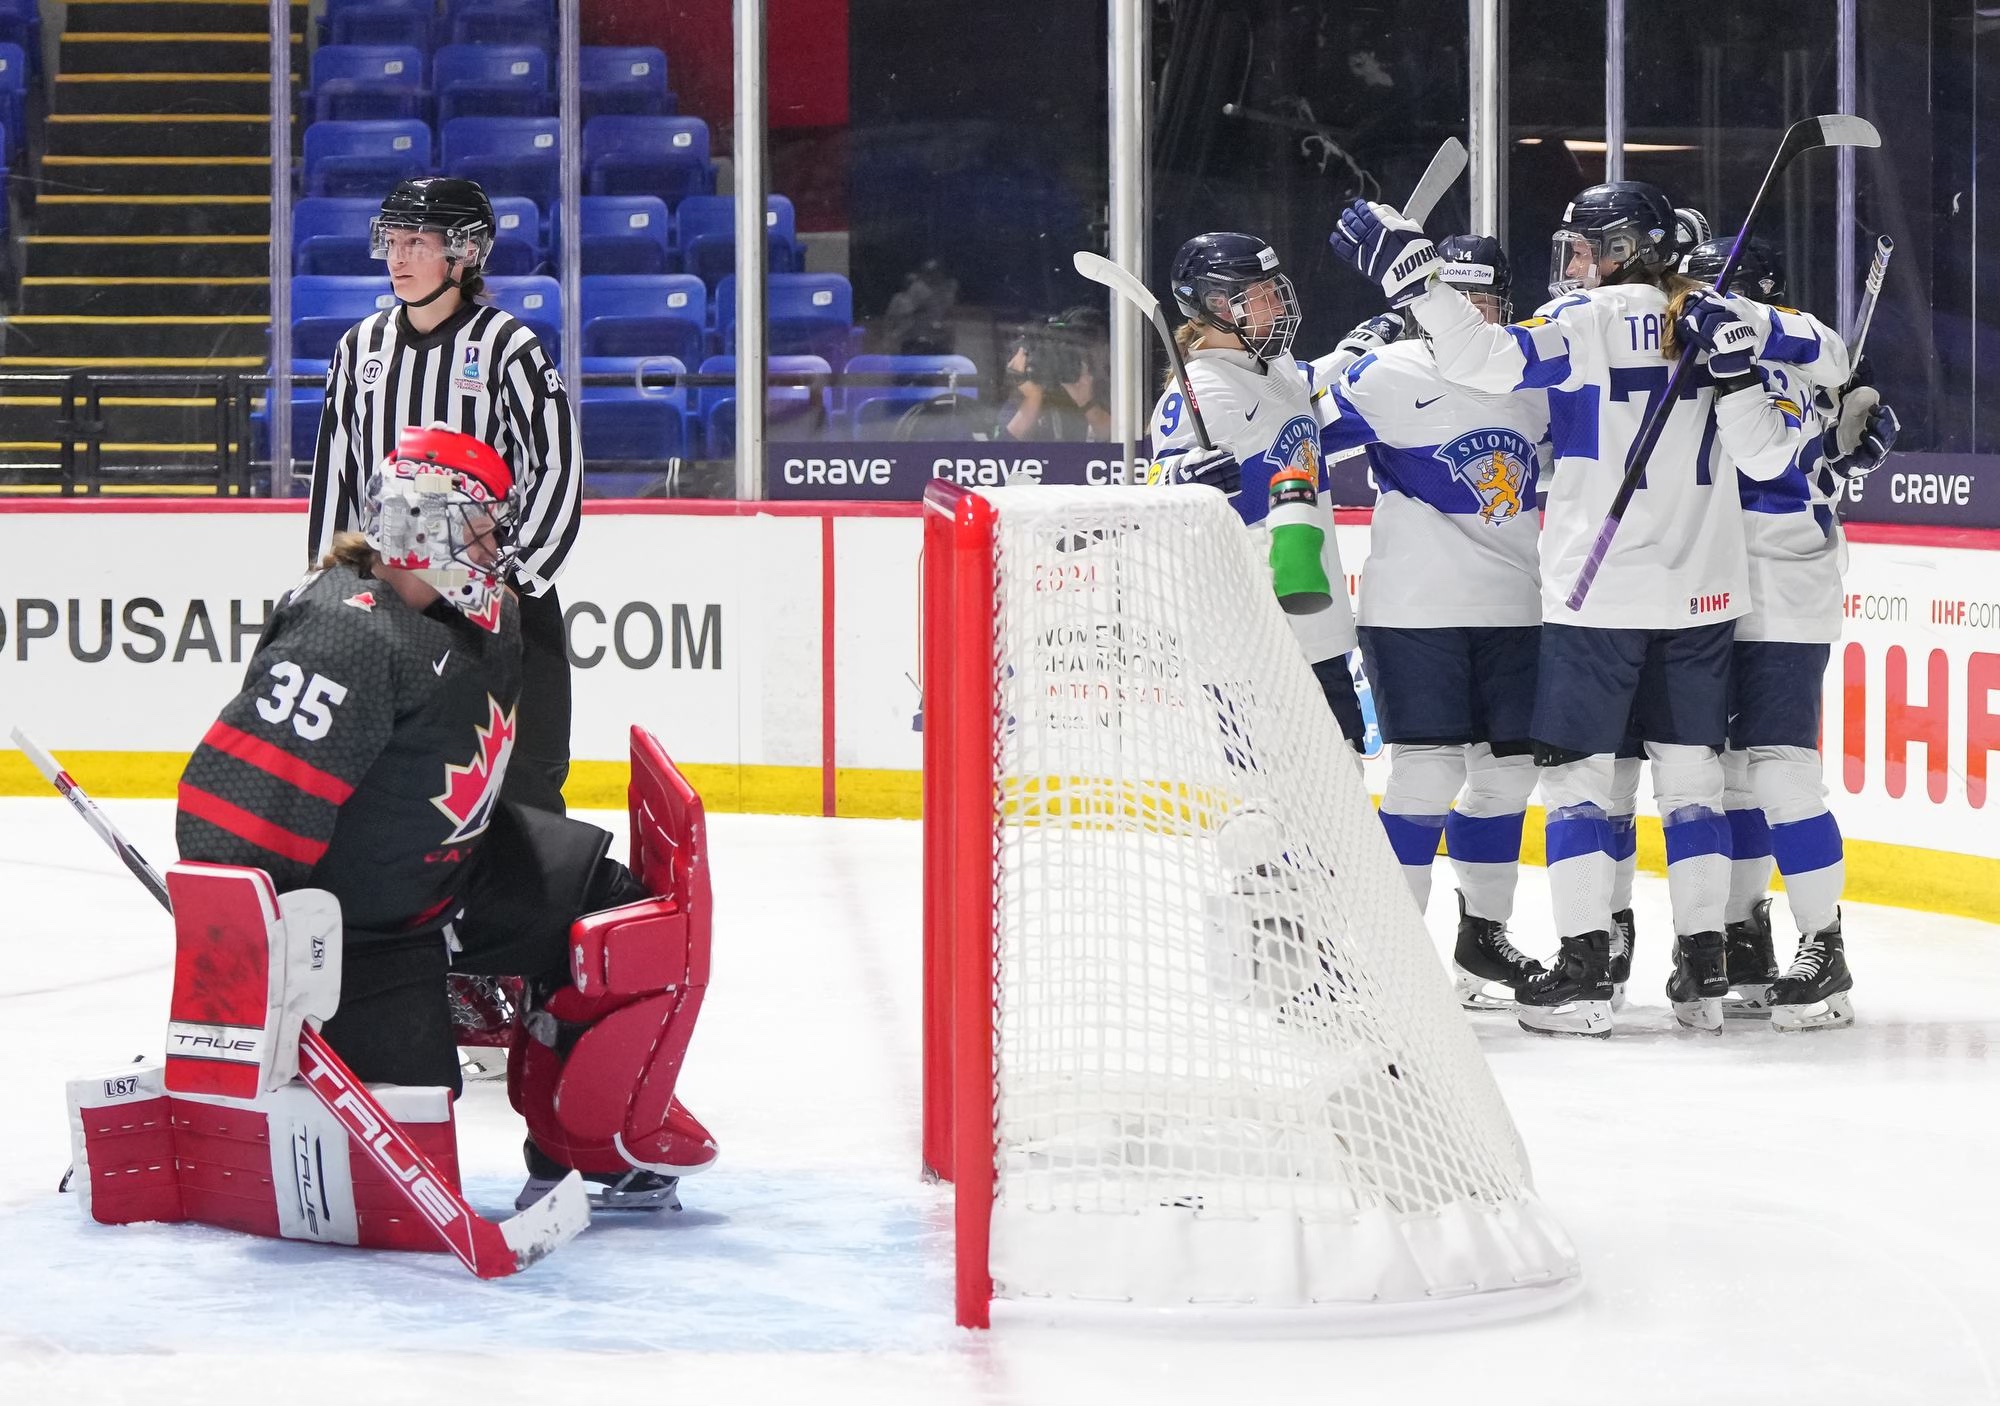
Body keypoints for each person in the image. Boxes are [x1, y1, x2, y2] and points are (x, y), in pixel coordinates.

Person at [178, 425, 714, 1209]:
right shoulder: (345, 634)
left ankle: (589, 1141)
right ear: (425, 527)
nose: (498, 543)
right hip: (365, 935)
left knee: (628, 918)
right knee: (398, 1170)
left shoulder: (479, 611)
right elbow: (230, 821)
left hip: (460, 869)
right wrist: (268, 966)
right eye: (484, 525)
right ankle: (211, 1127)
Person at [1330, 181, 1805, 1037]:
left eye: (1586, 248)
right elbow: (1771, 452)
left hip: (1600, 593)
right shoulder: (1716, 316)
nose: (1574, 265)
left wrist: (1418, 286)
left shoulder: (1582, 321)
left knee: (1584, 785)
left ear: (1624, 247)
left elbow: (1485, 361)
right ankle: (1703, 974)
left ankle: (1586, 977)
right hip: (1704, 592)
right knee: (1695, 780)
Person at [1311, 236, 1549, 1008]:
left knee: (1508, 775)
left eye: (1487, 302)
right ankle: (1386, 955)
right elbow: (1296, 440)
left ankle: (1483, 940)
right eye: (1461, 299)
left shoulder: (1536, 379)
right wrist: (1344, 359)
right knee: (1428, 769)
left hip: (1515, 608)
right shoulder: (1390, 374)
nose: (1474, 316)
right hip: (1415, 610)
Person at [305, 177, 582, 817]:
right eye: (391, 242)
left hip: (499, 605)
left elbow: (557, 467)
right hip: (391, 601)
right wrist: (329, 582)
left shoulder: (509, 347)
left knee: (525, 787)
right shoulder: (359, 349)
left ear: (463, 254)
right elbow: (337, 474)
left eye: (416, 243)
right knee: (389, 785)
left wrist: (515, 582)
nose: (396, 259)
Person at [1682, 235, 1898, 1032]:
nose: (1691, 298)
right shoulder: (1707, 356)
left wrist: (1849, 435)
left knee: (1779, 773)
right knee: (1730, 773)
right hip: (1711, 584)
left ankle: (1825, 943)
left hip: (1785, 584)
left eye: (1708, 285)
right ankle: (1745, 930)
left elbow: (1814, 358)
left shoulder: (1799, 333)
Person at [1146, 232, 1366, 749]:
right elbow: (1156, 484)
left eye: (1274, 289)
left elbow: (1311, 393)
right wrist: (1187, 477)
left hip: (1318, 622)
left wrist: (1363, 345)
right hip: (1246, 636)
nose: (1275, 304)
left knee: (1345, 783)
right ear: (1215, 306)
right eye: (1258, 295)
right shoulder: (1202, 389)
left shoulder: (1279, 366)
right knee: (1264, 793)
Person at [998, 305, 1111, 441]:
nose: (1082, 357)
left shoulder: (1120, 391)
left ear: (1107, 349)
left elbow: (1125, 446)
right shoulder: (1034, 387)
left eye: (1088, 346)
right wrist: (1032, 398)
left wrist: (1086, 402)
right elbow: (998, 455)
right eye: (1070, 348)